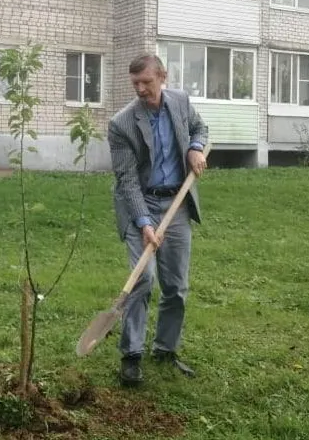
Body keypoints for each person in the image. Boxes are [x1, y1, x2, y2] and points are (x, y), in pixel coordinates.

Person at [107, 53, 209, 387]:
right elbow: (127, 180)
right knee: (142, 279)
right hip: (143, 202)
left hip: (176, 204)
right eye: (135, 83)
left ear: (162, 76)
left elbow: (200, 127)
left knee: (176, 286)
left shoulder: (179, 102)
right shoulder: (121, 124)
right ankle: (131, 355)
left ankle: (165, 348)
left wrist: (195, 148)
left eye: (146, 82)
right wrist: (144, 222)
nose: (140, 89)